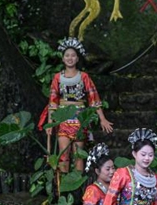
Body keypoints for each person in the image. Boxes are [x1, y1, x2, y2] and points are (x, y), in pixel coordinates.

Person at [47, 37, 114, 173]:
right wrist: (50, 122)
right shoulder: (57, 78)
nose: (70, 58)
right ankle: (62, 189)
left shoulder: (84, 77)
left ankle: (78, 190)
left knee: (79, 156)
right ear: (63, 58)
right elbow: (53, 101)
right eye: (67, 55)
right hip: (62, 119)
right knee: (63, 156)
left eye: (73, 55)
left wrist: (102, 118)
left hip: (79, 119)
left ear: (77, 59)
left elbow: (93, 98)